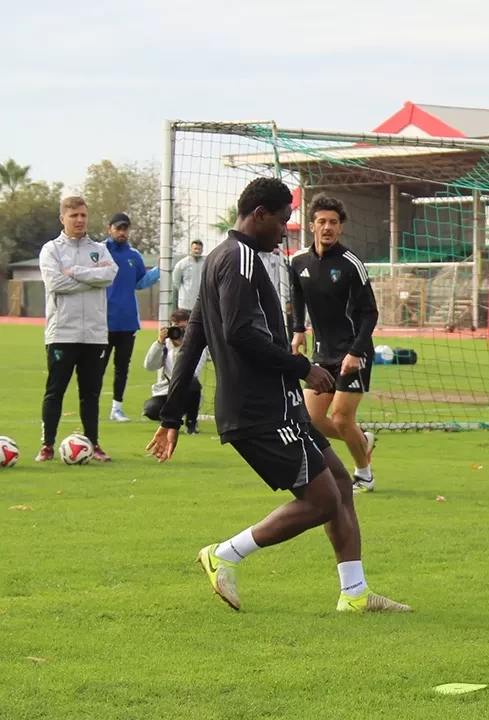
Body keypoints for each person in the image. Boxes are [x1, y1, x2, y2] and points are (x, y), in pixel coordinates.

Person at [146, 178, 409, 614]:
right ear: (260, 215)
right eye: (284, 220)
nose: (286, 230)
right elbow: (239, 333)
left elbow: (195, 336)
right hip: (260, 409)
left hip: (279, 406)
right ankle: (223, 554)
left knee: (340, 485)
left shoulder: (220, 257)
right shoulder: (241, 259)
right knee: (322, 500)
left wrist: (172, 417)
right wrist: (303, 367)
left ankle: (355, 594)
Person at [289, 194, 379, 492]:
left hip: (354, 352)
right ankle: (361, 439)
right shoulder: (298, 261)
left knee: (341, 418)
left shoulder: (351, 263)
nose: (327, 227)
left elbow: (370, 312)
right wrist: (298, 330)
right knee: (311, 418)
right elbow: (297, 294)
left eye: (333, 222)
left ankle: (364, 475)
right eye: (322, 221)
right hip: (321, 352)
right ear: (312, 226)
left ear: (340, 228)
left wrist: (355, 352)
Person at [37, 196, 118, 463]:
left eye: (83, 215)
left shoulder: (99, 249)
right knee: (55, 390)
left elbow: (110, 274)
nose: (80, 220)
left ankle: (93, 444)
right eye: (74, 216)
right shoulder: (51, 249)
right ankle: (47, 445)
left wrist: (73, 271)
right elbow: (55, 283)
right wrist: (92, 278)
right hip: (62, 331)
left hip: (95, 333)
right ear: (63, 218)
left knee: (91, 394)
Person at [103, 212, 160, 423]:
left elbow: (140, 282)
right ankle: (89, 405)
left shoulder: (134, 256)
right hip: (102, 322)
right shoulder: (99, 252)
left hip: (127, 321)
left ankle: (116, 408)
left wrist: (159, 269)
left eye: (125, 228)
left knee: (122, 368)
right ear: (109, 229)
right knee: (96, 368)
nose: (122, 232)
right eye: (118, 228)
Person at [141, 308, 207, 434]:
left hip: (188, 392)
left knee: (192, 382)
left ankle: (191, 423)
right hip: (166, 391)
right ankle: (169, 419)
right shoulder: (165, 344)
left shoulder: (198, 345)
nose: (180, 331)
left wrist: (181, 347)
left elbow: (191, 372)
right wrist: (159, 343)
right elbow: (149, 366)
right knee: (151, 409)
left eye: (183, 328)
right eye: (176, 327)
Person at [172, 240, 205, 311]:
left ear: (202, 250)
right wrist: (185, 290)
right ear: (191, 249)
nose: (197, 251)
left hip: (201, 303)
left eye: (199, 249)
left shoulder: (206, 263)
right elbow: (176, 281)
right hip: (185, 304)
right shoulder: (182, 263)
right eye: (195, 248)